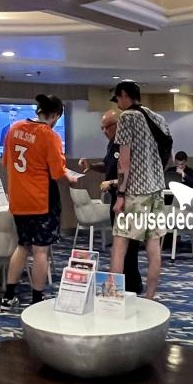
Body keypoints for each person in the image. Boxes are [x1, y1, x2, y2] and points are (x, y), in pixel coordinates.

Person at [1, 93, 79, 307]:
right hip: (42, 201)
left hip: (19, 200)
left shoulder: (14, 128)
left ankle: (9, 296)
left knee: (22, 246)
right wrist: (72, 180)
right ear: (55, 115)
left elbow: (6, 162)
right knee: (40, 250)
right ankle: (37, 298)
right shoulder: (49, 136)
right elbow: (58, 173)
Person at [109, 80, 169, 299]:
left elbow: (123, 161)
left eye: (118, 98)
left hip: (135, 191)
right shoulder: (158, 118)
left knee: (119, 245)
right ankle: (150, 298)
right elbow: (168, 156)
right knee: (153, 248)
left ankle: (113, 297)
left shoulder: (127, 117)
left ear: (125, 95)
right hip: (156, 191)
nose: (117, 103)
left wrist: (120, 195)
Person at [79, 109, 143, 294]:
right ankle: (125, 286)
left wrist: (113, 183)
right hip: (116, 200)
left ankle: (132, 287)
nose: (104, 131)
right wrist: (92, 166)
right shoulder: (112, 144)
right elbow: (108, 166)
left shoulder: (130, 144)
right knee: (121, 247)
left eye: (106, 127)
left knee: (128, 248)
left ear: (118, 125)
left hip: (130, 201)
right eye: (102, 128)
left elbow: (133, 176)